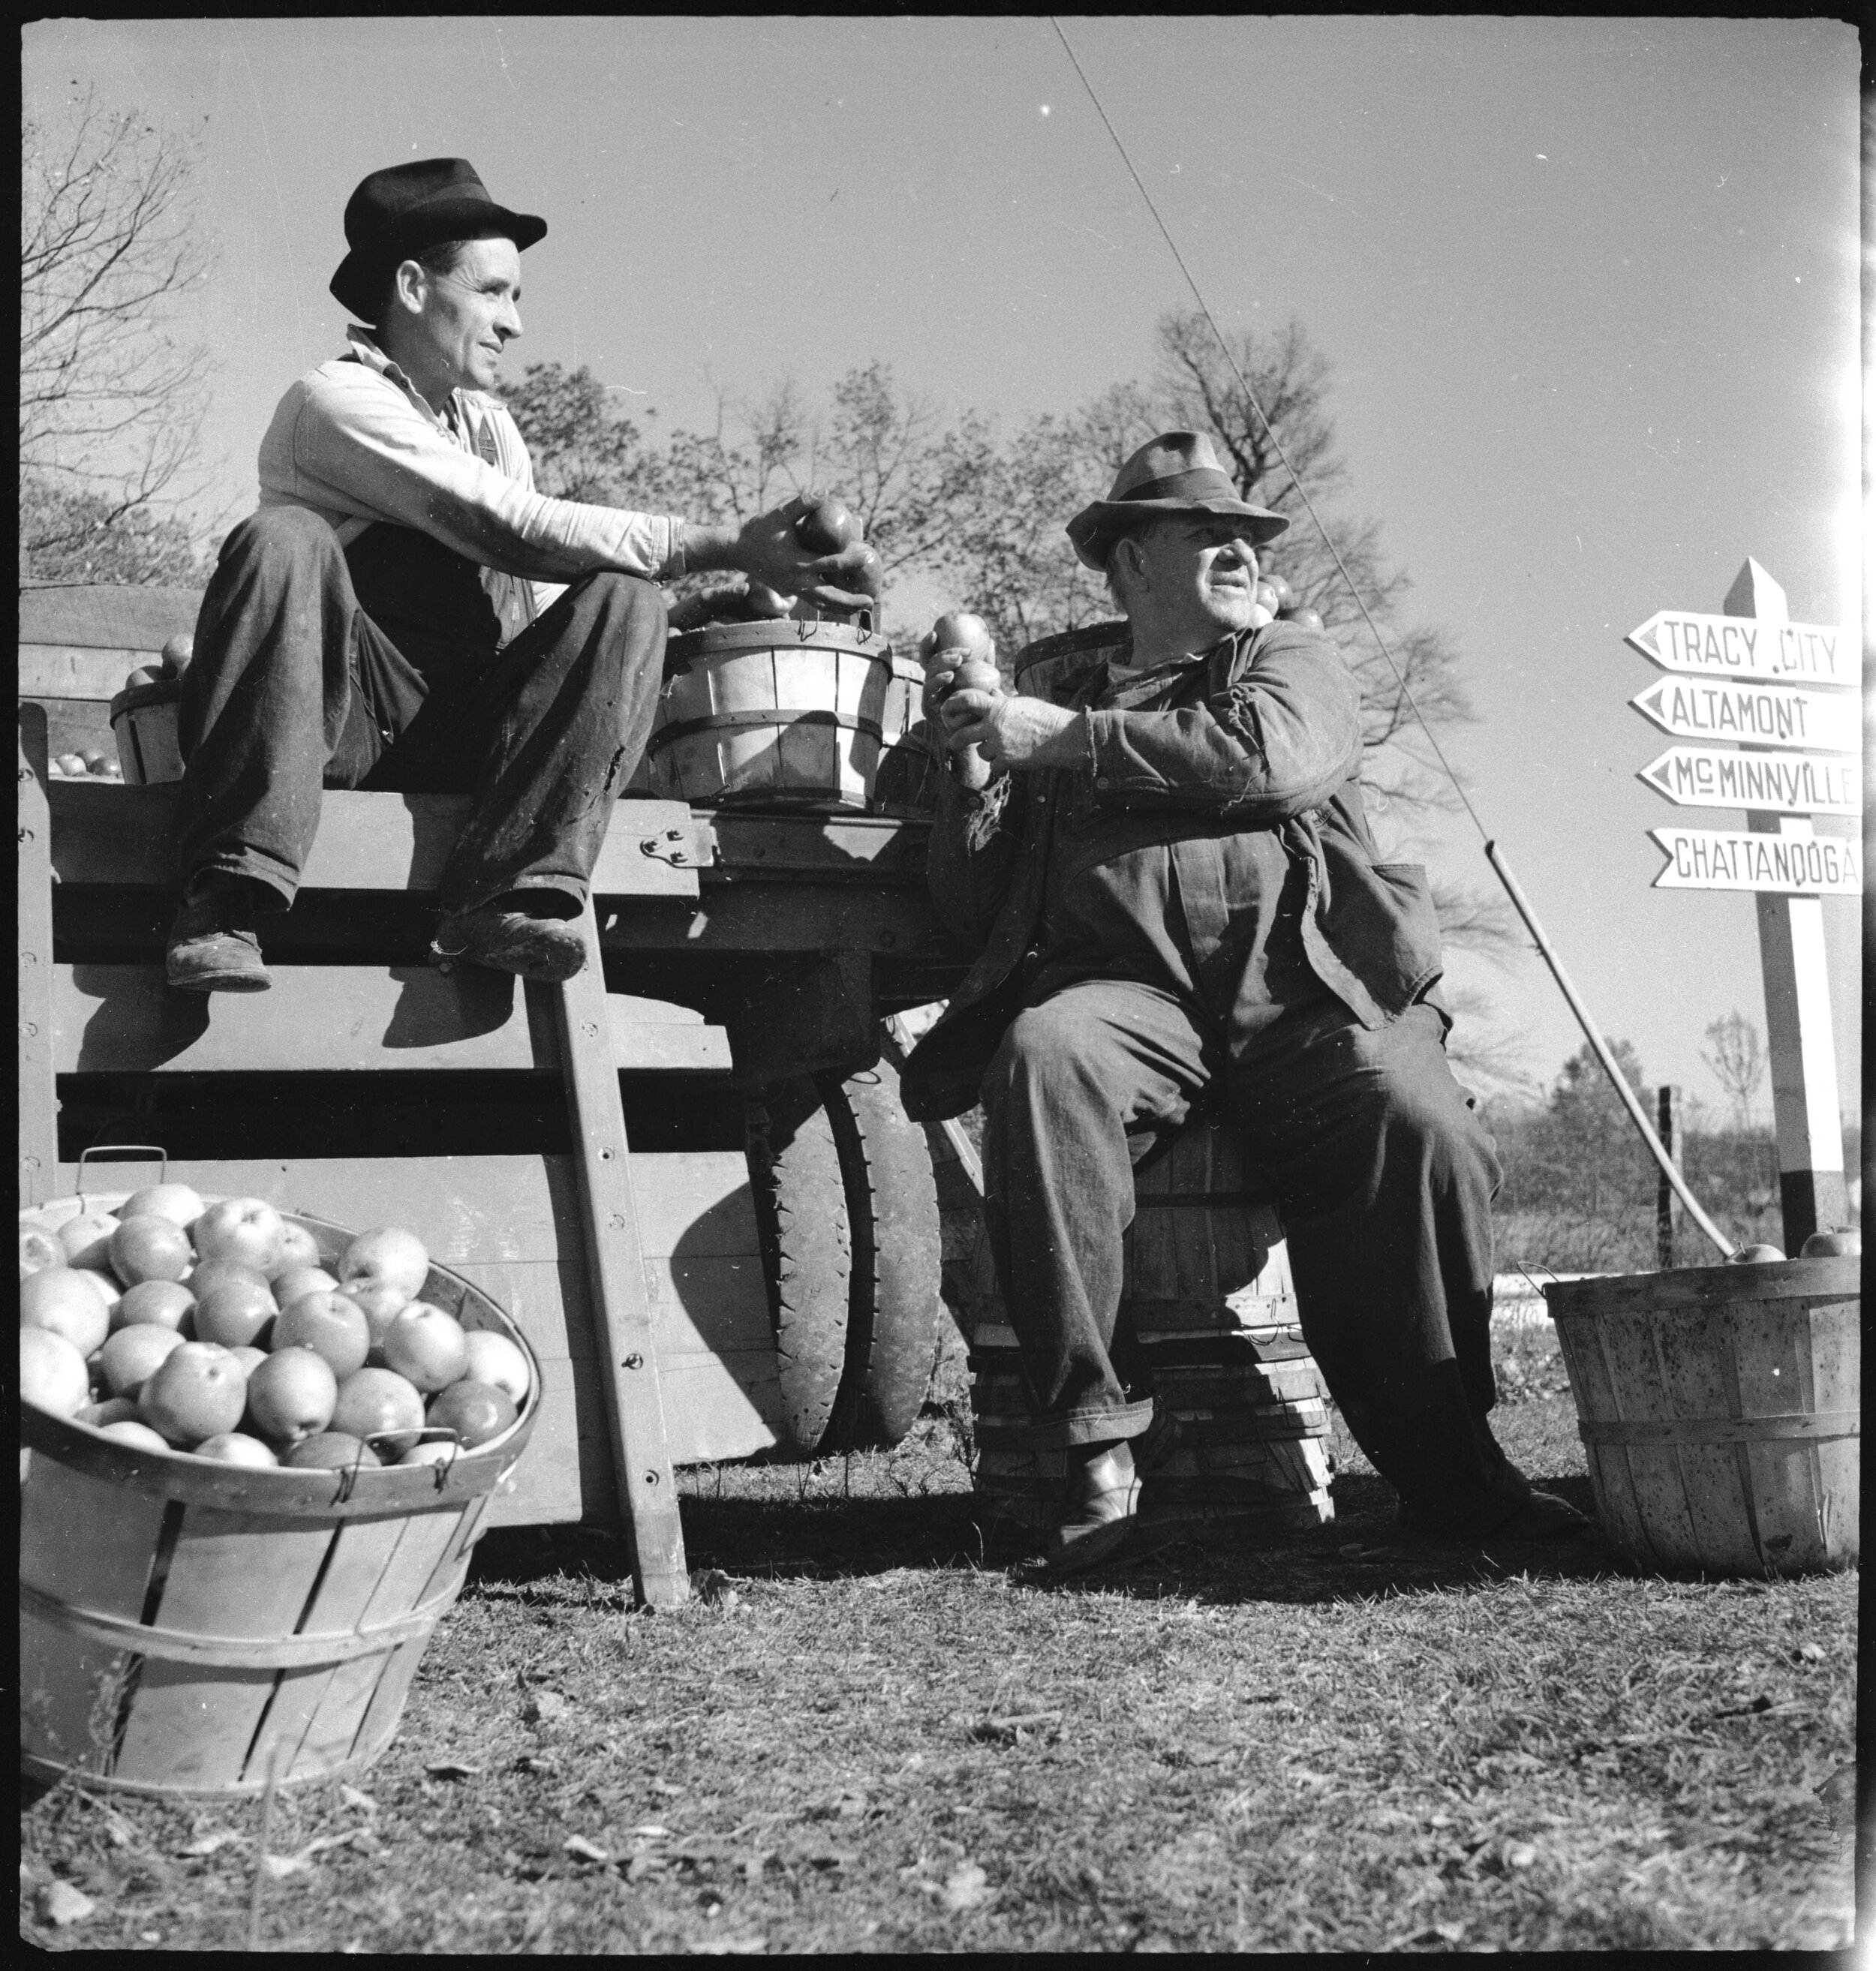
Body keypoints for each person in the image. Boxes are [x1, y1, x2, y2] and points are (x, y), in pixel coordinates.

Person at [900, 431, 1589, 1569]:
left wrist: (1064, 739)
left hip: (1305, 987)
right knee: (1045, 1052)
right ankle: (1094, 1446)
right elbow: (975, 907)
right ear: (1128, 565)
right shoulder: (1058, 691)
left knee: (1420, 1123)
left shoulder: (1289, 659)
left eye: (1247, 534)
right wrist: (972, 769)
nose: (1239, 548)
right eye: (1204, 532)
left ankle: (1452, 1473)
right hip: (1132, 998)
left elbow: (1272, 758)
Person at [167, 157, 870, 992]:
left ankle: (507, 895)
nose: (515, 324)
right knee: (283, 539)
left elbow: (538, 612)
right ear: (413, 287)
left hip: (462, 728)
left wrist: (710, 608)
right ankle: (227, 896)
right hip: (334, 732)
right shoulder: (331, 402)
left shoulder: (494, 428)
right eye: (495, 292)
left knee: (622, 594)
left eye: (518, 298)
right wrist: (728, 541)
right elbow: (510, 529)